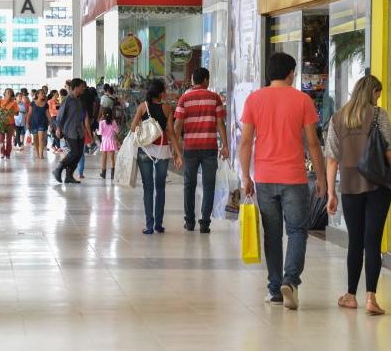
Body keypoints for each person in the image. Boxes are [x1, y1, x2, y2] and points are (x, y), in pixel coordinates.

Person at [239, 52, 326, 310]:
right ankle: (291, 280)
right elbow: (312, 143)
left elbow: (245, 142)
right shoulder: (302, 100)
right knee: (298, 231)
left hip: (265, 178)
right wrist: (321, 177)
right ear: (290, 73)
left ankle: (275, 289)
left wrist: (246, 176)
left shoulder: (254, 99)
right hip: (295, 178)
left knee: (273, 235)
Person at [325, 75, 391, 315]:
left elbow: (331, 159)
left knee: (355, 241)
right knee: (373, 241)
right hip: (379, 186)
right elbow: (388, 151)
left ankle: (351, 295)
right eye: (378, 94)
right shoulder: (378, 115)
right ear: (372, 92)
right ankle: (371, 298)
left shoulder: (337, 118)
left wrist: (331, 193)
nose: (378, 99)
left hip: (350, 188)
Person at [174, 67, 229, 234]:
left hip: (190, 148)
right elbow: (220, 124)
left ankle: (189, 222)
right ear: (206, 80)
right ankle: (205, 223)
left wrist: (176, 151)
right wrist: (225, 146)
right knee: (209, 185)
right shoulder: (215, 98)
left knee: (189, 185)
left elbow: (178, 126)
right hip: (209, 148)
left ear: (193, 81)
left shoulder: (184, 99)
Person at [132, 79, 183, 234]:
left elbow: (133, 127)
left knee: (148, 188)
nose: (166, 93)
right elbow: (171, 132)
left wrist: (144, 126)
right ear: (161, 93)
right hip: (162, 150)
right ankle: (158, 224)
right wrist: (178, 153)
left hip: (145, 151)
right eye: (165, 91)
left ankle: (149, 226)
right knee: (160, 188)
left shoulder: (142, 107)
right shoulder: (167, 108)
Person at [53, 78, 91, 184]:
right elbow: (60, 115)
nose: (83, 88)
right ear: (77, 87)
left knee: (78, 154)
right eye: (82, 86)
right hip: (70, 131)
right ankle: (58, 169)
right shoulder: (67, 99)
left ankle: (69, 176)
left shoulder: (80, 100)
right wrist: (58, 128)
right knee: (73, 152)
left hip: (80, 131)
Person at [27, 89, 51, 159]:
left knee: (41, 139)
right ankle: (37, 153)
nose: (44, 94)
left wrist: (51, 122)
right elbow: (29, 114)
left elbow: (48, 114)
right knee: (35, 139)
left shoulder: (46, 104)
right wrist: (27, 123)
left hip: (42, 123)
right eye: (42, 93)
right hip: (33, 123)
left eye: (44, 93)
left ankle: (41, 154)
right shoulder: (32, 103)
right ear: (37, 95)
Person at [0, 88, 18, 159]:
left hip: (11, 123)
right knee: (1, 139)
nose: (8, 93)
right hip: (1, 123)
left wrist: (11, 112)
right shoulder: (0, 101)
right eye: (7, 92)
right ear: (4, 93)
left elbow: (17, 113)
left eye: (10, 92)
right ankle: (2, 153)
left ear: (12, 94)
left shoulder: (14, 102)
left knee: (9, 139)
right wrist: (3, 109)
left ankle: (8, 154)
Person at [98, 108, 119, 179]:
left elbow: (100, 133)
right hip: (112, 141)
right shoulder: (113, 122)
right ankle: (113, 175)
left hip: (104, 142)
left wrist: (96, 131)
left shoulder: (101, 122)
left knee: (104, 158)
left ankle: (103, 173)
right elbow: (117, 130)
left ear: (103, 115)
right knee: (112, 159)